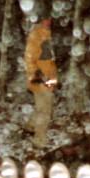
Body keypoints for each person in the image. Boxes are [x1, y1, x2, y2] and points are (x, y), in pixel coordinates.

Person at [24, 18, 59, 147]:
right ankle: (39, 141)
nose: (48, 22)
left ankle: (30, 126)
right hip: (39, 79)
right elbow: (29, 57)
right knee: (44, 110)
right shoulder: (36, 34)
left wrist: (54, 79)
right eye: (45, 19)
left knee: (44, 106)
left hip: (47, 78)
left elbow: (50, 61)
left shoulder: (47, 34)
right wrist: (35, 74)